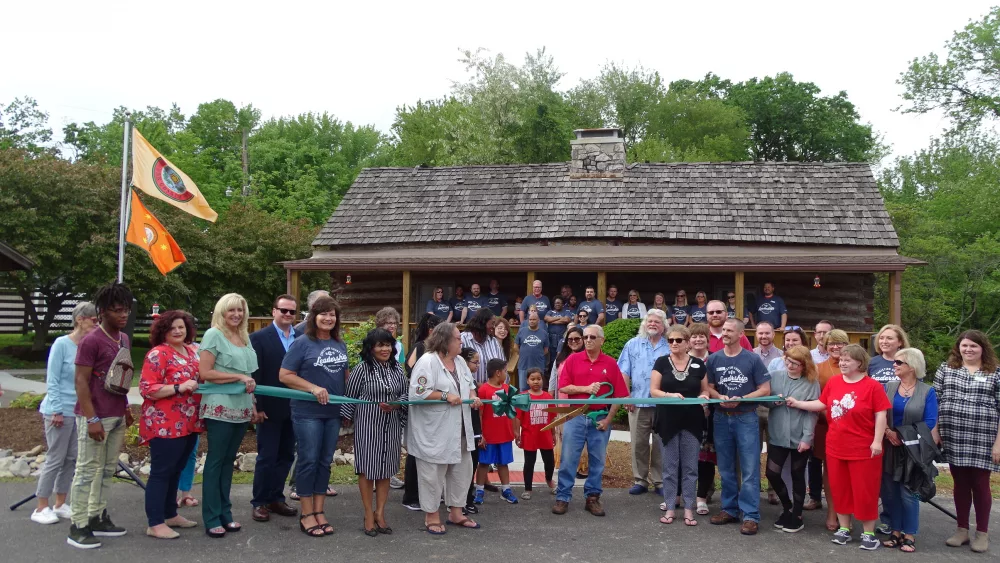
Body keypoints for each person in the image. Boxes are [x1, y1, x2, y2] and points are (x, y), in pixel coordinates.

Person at [786, 344, 890, 550]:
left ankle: (868, 533)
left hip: (863, 448)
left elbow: (881, 414)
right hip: (836, 447)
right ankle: (844, 528)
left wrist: (877, 441)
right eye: (841, 360)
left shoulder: (873, 386)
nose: (842, 363)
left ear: (859, 363)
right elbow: (821, 404)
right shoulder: (834, 382)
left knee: (864, 490)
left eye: (847, 360)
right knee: (839, 488)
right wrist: (798, 403)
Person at [67, 283, 134, 549]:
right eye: (117, 311)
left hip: (116, 413)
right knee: (86, 470)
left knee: (107, 469)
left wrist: (126, 407)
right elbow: (81, 382)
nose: (123, 315)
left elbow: (121, 376)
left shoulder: (124, 339)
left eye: (126, 310)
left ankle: (97, 515)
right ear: (103, 312)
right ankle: (78, 525)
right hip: (94, 416)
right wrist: (91, 419)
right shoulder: (91, 340)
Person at [278, 295, 347, 538]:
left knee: (325, 461)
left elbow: (343, 375)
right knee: (308, 460)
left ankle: (319, 511)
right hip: (307, 413)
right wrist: (313, 388)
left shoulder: (340, 343)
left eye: (332, 314)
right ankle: (306, 514)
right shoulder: (302, 342)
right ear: (314, 316)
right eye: (323, 313)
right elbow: (285, 375)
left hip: (332, 413)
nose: (328, 318)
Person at [407, 323, 483, 534]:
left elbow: (470, 385)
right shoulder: (427, 362)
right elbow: (417, 393)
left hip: (461, 429)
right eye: (458, 338)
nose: (462, 342)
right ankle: (431, 516)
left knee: (462, 471)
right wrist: (444, 395)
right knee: (432, 474)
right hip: (435, 431)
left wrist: (474, 397)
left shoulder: (459, 361)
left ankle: (456, 513)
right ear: (445, 341)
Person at [198, 293, 259, 539]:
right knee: (215, 462)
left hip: (242, 409)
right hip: (220, 408)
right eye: (231, 310)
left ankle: (225, 513)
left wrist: (253, 405)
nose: (236, 314)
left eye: (240, 310)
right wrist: (238, 378)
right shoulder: (214, 335)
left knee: (227, 463)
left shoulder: (244, 337)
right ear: (221, 312)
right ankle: (211, 517)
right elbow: (205, 372)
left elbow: (249, 376)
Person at [139, 310, 203, 539]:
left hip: (189, 422)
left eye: (181, 327)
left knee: (177, 469)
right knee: (161, 472)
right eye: (172, 328)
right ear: (163, 331)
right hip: (165, 424)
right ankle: (155, 523)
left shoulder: (192, 350)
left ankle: (170, 513)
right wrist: (178, 387)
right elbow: (147, 388)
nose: (177, 331)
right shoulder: (158, 354)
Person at [552, 325, 629, 517]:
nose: (587, 340)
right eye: (585, 337)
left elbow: (619, 396)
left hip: (600, 418)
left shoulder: (610, 363)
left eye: (592, 337)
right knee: (568, 459)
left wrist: (608, 419)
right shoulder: (572, 359)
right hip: (576, 416)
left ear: (601, 340)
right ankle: (563, 497)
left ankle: (592, 498)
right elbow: (564, 387)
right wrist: (586, 389)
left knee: (598, 461)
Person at [934, 330, 999, 553]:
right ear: (958, 348)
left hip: (983, 437)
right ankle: (961, 530)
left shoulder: (995, 372)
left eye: (973, 346)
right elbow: (935, 400)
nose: (968, 350)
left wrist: (998, 443)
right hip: (953, 434)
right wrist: (935, 430)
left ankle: (982, 533)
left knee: (980, 484)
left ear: (983, 348)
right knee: (959, 483)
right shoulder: (946, 368)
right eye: (964, 346)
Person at [32, 302, 96, 525]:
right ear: (80, 319)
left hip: (78, 411)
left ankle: (60, 503)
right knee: (55, 458)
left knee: (71, 459)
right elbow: (53, 379)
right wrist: (57, 410)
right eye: (94, 321)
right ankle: (41, 506)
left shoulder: (88, 346)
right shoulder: (61, 344)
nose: (96, 325)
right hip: (58, 411)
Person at [706, 318, 771, 536]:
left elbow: (765, 389)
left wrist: (741, 398)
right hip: (721, 418)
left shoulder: (752, 359)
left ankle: (751, 515)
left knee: (750, 467)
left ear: (740, 334)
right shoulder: (714, 359)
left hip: (746, 417)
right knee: (725, 467)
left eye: (729, 330)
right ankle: (729, 509)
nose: (724, 333)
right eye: (723, 330)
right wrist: (719, 396)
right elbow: (710, 387)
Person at [342, 328, 408, 537]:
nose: (385, 349)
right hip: (368, 425)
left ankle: (380, 513)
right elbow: (349, 397)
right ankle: (368, 514)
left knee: (387, 470)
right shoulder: (362, 369)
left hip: (392, 425)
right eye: (380, 345)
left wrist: (397, 405)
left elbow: (407, 394)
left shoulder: (398, 369)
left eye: (388, 344)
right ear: (371, 348)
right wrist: (345, 421)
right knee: (367, 470)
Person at [651, 325, 711, 527]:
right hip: (668, 421)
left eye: (678, 340)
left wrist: (705, 397)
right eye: (670, 340)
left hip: (692, 421)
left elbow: (705, 391)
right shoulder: (661, 362)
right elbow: (654, 391)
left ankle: (688, 509)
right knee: (669, 467)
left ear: (687, 342)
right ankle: (669, 507)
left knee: (690, 467)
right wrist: (670, 396)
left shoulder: (698, 365)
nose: (674, 344)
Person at [248, 295, 300, 523]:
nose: (288, 315)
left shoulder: (301, 337)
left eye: (292, 312)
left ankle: (276, 498)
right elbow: (255, 374)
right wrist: (256, 406)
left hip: (295, 408)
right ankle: (259, 501)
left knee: (286, 455)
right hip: (268, 408)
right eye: (284, 310)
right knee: (267, 456)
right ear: (274, 311)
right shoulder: (258, 338)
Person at [881, 347, 937, 553]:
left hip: (914, 449)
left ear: (911, 367)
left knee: (909, 492)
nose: (894, 365)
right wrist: (888, 432)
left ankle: (909, 534)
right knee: (891, 491)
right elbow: (879, 412)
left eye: (898, 362)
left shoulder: (927, 391)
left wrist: (903, 436)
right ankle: (895, 531)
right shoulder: (889, 386)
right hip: (889, 446)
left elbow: (930, 421)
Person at [764, 345, 820, 533]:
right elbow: (764, 400)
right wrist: (774, 401)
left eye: (795, 363)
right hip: (778, 434)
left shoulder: (811, 382)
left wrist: (807, 438)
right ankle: (787, 506)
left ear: (804, 365)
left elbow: (812, 413)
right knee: (772, 473)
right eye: (787, 361)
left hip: (799, 435)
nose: (789, 365)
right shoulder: (776, 376)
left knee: (798, 474)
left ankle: (797, 514)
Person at [616, 308, 669, 496]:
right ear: (644, 324)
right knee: (639, 444)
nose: (653, 324)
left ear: (664, 327)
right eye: (650, 321)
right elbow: (623, 372)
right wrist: (626, 396)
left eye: (657, 322)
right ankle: (640, 480)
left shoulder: (669, 346)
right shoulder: (632, 344)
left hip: (663, 404)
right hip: (637, 402)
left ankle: (660, 481)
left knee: (661, 443)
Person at [401, 313, 443, 510]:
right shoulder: (420, 347)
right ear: (430, 329)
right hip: (420, 402)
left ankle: (430, 492)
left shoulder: (439, 351)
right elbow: (410, 370)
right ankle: (411, 495)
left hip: (434, 408)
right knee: (416, 451)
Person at [812, 328, 850, 529]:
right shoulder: (819, 368)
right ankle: (832, 512)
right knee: (830, 471)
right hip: (826, 425)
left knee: (849, 473)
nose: (835, 347)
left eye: (840, 343)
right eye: (831, 344)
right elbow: (816, 398)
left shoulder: (857, 368)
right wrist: (832, 420)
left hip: (852, 429)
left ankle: (847, 513)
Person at [474, 358, 519, 505]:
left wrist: (515, 430)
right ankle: (479, 489)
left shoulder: (508, 389)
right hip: (488, 436)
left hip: (505, 434)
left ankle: (506, 489)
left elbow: (513, 411)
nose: (506, 373)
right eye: (505, 371)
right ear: (498, 373)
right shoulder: (483, 390)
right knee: (484, 463)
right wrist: (481, 435)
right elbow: (480, 415)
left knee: (503, 463)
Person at [753, 320, 784, 505]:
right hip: (755, 408)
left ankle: (773, 489)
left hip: (775, 409)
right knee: (753, 450)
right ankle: (754, 488)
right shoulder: (750, 355)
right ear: (756, 335)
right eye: (760, 333)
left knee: (774, 450)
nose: (764, 336)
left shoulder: (781, 356)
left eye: (767, 333)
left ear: (773, 334)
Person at [515, 367, 556, 500]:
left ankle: (549, 480)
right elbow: (517, 417)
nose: (536, 382)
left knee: (549, 461)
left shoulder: (548, 397)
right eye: (532, 379)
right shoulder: (523, 397)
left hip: (545, 435)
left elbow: (552, 418)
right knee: (529, 463)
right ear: (527, 381)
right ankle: (528, 488)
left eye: (538, 379)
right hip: (529, 436)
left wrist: (553, 434)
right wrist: (517, 434)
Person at [689, 323, 716, 514]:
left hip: (710, 415)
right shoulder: (681, 360)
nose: (698, 339)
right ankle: (683, 494)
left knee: (706, 458)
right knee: (686, 456)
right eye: (694, 336)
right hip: (687, 415)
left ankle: (702, 497)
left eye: (702, 336)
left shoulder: (715, 360)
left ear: (708, 339)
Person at [460, 309, 505, 384]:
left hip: (492, 391)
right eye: (492, 323)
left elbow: (502, 366)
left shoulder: (494, 342)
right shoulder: (462, 340)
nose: (494, 327)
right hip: (470, 391)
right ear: (482, 323)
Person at [514, 310, 548, 392]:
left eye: (534, 319)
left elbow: (546, 350)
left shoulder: (544, 333)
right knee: (523, 390)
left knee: (538, 390)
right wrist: (523, 354)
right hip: (523, 365)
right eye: (530, 319)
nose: (532, 321)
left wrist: (537, 355)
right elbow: (515, 346)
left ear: (538, 321)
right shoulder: (522, 331)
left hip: (538, 366)